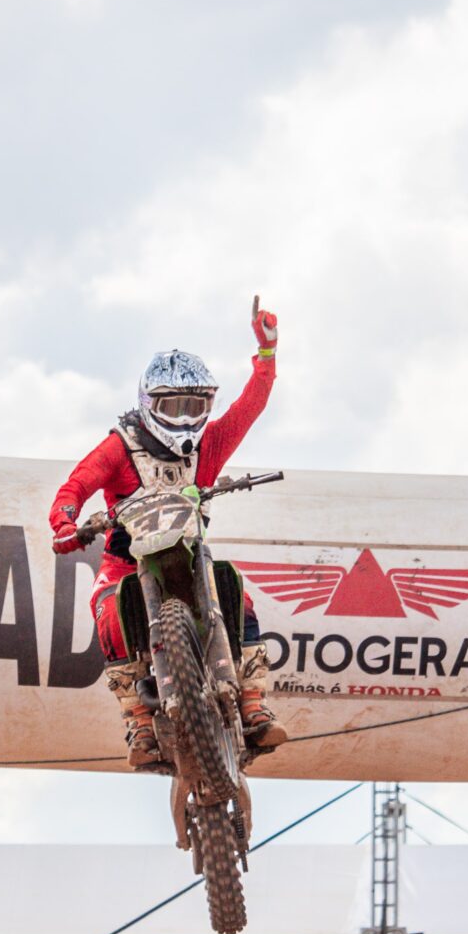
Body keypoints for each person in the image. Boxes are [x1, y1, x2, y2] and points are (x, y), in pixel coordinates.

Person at [48, 300, 284, 768]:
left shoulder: (210, 443)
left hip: (191, 556)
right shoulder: (120, 447)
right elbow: (74, 487)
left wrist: (267, 352)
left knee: (237, 592)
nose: (184, 417)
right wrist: (66, 526)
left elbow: (250, 406)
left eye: (195, 406)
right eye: (172, 406)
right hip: (126, 563)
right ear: (148, 404)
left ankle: (254, 703)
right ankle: (138, 719)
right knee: (107, 607)